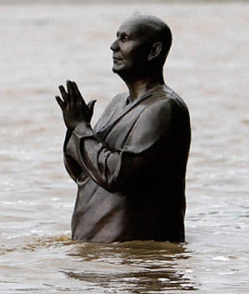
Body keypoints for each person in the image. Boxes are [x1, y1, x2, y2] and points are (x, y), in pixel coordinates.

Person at [56, 14, 191, 243]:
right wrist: (75, 130)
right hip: (99, 259)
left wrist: (81, 130)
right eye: (116, 37)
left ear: (153, 51)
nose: (113, 46)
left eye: (124, 38)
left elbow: (117, 175)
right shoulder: (117, 104)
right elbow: (83, 174)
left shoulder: (163, 108)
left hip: (134, 265)